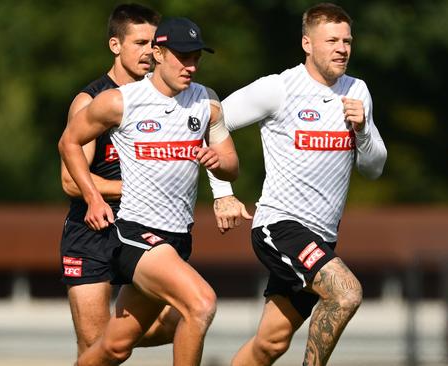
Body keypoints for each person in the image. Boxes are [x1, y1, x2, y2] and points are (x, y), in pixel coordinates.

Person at [59, 4, 248, 358]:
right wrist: (101, 196)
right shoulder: (104, 101)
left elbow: (228, 163)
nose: (146, 51)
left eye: (196, 58)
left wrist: (222, 182)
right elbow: (70, 175)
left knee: (114, 347)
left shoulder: (202, 100)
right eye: (141, 42)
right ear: (117, 45)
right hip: (103, 230)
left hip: (171, 232)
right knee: (200, 304)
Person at [211, 3, 387, 365]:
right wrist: (223, 193)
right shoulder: (278, 88)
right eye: (332, 40)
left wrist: (364, 128)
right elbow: (211, 121)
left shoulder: (357, 90)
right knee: (346, 293)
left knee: (270, 344)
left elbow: (373, 168)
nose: (342, 48)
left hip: (322, 237)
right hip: (280, 226)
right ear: (307, 44)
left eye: (347, 41)